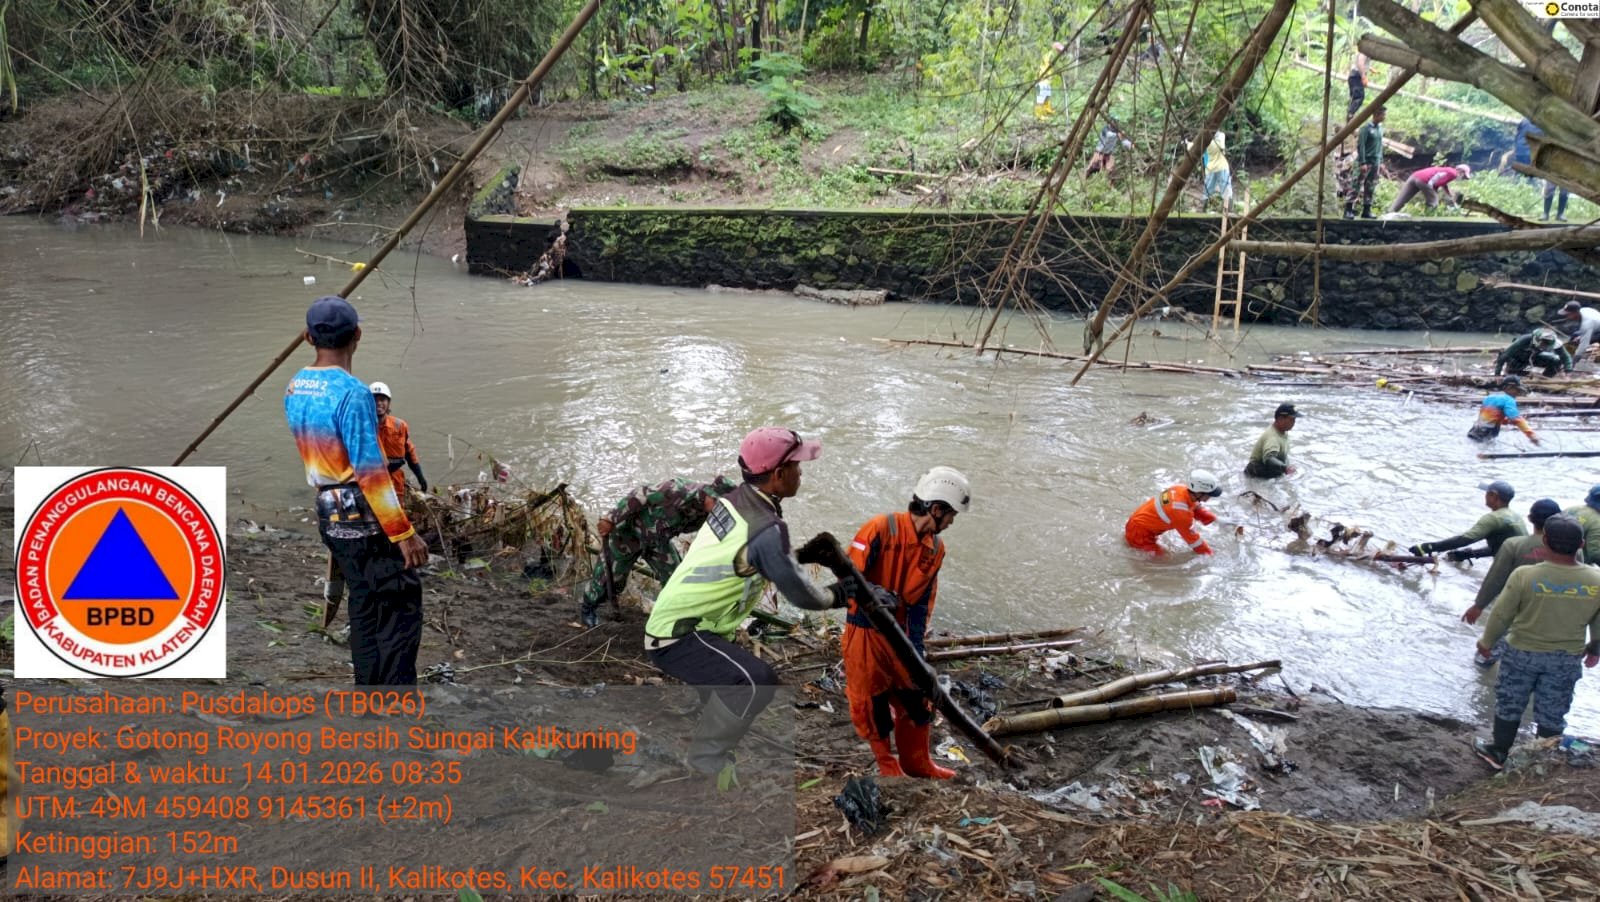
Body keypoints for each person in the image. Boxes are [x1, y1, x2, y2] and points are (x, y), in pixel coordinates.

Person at [643, 427, 855, 778]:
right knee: (756, 681)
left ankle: (710, 719)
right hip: (679, 634)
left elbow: (757, 559)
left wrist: (797, 558)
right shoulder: (766, 529)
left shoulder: (735, 499)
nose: (801, 473)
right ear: (778, 475)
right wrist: (839, 595)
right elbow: (800, 593)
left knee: (732, 679)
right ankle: (705, 761)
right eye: (797, 467)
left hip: (688, 620)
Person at [285, 296, 429, 685]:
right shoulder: (354, 394)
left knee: (364, 603)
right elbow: (371, 472)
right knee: (400, 605)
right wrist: (404, 534)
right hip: (364, 519)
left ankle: (368, 691)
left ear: (307, 337)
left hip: (329, 516)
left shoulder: (296, 386)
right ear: (358, 336)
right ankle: (395, 701)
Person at [843, 467, 970, 779]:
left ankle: (918, 763)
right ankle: (887, 764)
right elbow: (848, 579)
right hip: (865, 632)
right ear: (936, 509)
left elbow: (921, 604)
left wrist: (916, 650)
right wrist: (873, 595)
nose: (952, 522)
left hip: (900, 634)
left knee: (917, 697)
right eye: (951, 515)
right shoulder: (879, 529)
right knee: (870, 702)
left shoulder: (935, 549)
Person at [1472, 514, 1600, 769]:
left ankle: (1498, 752)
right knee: (1553, 709)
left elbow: (1501, 614)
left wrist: (1486, 641)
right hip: (1566, 657)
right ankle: (1540, 760)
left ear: (1544, 541)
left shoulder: (1525, 575)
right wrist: (1595, 648)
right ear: (1581, 544)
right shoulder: (1596, 579)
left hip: (1521, 651)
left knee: (1510, 701)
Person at [578, 475, 737, 628]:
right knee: (608, 578)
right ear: (709, 495)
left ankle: (671, 618)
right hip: (627, 535)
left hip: (657, 541)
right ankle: (588, 609)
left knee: (676, 578)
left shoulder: (709, 511)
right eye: (718, 503)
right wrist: (610, 518)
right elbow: (640, 494)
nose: (719, 509)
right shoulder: (676, 490)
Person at [1463, 499, 1571, 667]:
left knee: (1486, 656)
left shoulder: (1514, 545)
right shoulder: (1572, 550)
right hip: (1551, 614)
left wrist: (1478, 605)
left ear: (1529, 518)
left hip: (1514, 609)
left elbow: (1495, 579)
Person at [1408, 480, 1527, 562]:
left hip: (1513, 567)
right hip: (1525, 561)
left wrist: (1428, 547)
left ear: (1494, 496)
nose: (1484, 496)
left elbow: (1464, 539)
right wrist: (1469, 554)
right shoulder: (1515, 516)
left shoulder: (1493, 518)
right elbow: (1499, 548)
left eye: (1487, 493)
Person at [1125, 470, 1222, 556]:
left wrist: (1218, 521)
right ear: (1199, 493)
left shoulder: (1180, 489)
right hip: (1139, 534)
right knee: (1163, 560)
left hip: (1138, 523)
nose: (1210, 497)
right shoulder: (1180, 514)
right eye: (1209, 494)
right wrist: (1209, 555)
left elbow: (1195, 508)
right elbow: (1194, 541)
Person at [369, 381, 427, 498]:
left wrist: (420, 477)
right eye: (374, 400)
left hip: (395, 479)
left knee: (397, 514)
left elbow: (409, 452)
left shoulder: (399, 426)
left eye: (382, 400)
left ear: (388, 403)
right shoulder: (362, 428)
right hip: (371, 480)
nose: (379, 403)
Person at [1467, 375, 1539, 444]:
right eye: (1517, 390)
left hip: (1473, 431)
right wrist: (1531, 435)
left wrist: (1508, 421)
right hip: (1486, 435)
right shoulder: (1509, 400)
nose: (1518, 393)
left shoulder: (1489, 397)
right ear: (1509, 387)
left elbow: (1491, 419)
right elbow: (1516, 419)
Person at [1345, 106, 1385, 220]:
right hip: (1365, 161)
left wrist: (1381, 161)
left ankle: (1366, 210)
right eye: (1383, 115)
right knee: (1356, 185)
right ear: (1376, 115)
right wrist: (1362, 162)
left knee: (1370, 186)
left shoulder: (1380, 129)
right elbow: (1361, 146)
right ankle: (1348, 209)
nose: (1384, 117)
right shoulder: (1366, 129)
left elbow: (1380, 146)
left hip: (1375, 161)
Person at [1386, 163, 1470, 214]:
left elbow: (1443, 183)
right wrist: (1430, 186)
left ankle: (1390, 212)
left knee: (1403, 198)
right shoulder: (1453, 173)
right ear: (1461, 172)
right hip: (1424, 180)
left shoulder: (1449, 171)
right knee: (1434, 201)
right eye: (1464, 177)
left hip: (1415, 176)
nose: (1463, 179)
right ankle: (1429, 216)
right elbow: (1437, 176)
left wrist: (1449, 194)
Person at [1245, 403, 1298, 479]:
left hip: (1268, 471)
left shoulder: (1282, 432)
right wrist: (1285, 468)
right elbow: (1269, 458)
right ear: (1280, 419)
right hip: (1257, 474)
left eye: (1294, 420)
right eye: (1291, 419)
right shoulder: (1272, 437)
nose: (1294, 423)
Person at [1494, 328, 1572, 378]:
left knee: (1556, 360)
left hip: (1534, 357)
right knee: (1517, 374)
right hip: (1518, 358)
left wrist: (1568, 371)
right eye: (1544, 342)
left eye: (1547, 343)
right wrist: (1497, 375)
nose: (1545, 344)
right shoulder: (1525, 340)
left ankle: (1545, 379)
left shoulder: (1555, 343)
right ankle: (1514, 371)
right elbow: (1504, 355)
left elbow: (1566, 357)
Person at [1562, 485, 1600, 565]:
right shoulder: (1597, 522)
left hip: (1556, 558)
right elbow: (1595, 554)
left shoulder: (1571, 509)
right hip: (1578, 566)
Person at [1560, 300, 1600, 366]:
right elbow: (1593, 326)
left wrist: (1573, 362)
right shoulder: (1583, 310)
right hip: (1596, 329)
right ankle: (1567, 355)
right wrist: (1581, 336)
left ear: (1575, 313)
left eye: (1568, 314)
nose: (1566, 316)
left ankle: (1570, 361)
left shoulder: (1587, 323)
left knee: (1580, 343)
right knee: (1575, 335)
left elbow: (1583, 345)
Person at [1200, 132, 1232, 214]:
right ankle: (1227, 210)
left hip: (1215, 167)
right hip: (1218, 167)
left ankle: (1227, 210)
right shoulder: (1219, 136)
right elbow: (1221, 147)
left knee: (1208, 190)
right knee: (1225, 189)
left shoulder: (1207, 139)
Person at [1033, 42, 1066, 120]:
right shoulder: (1051, 55)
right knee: (1041, 97)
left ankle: (1047, 110)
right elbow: (1054, 65)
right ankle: (1039, 114)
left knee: (1047, 95)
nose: (1060, 53)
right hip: (1042, 78)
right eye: (1059, 51)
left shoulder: (1052, 55)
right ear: (1054, 49)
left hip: (1047, 79)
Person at [1346, 53, 1369, 119]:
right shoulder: (1365, 52)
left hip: (1354, 76)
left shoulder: (1363, 52)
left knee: (1354, 98)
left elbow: (1361, 63)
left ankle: (1350, 118)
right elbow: (1360, 62)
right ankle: (1350, 115)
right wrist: (1363, 77)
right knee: (1359, 97)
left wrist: (1369, 69)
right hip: (1356, 76)